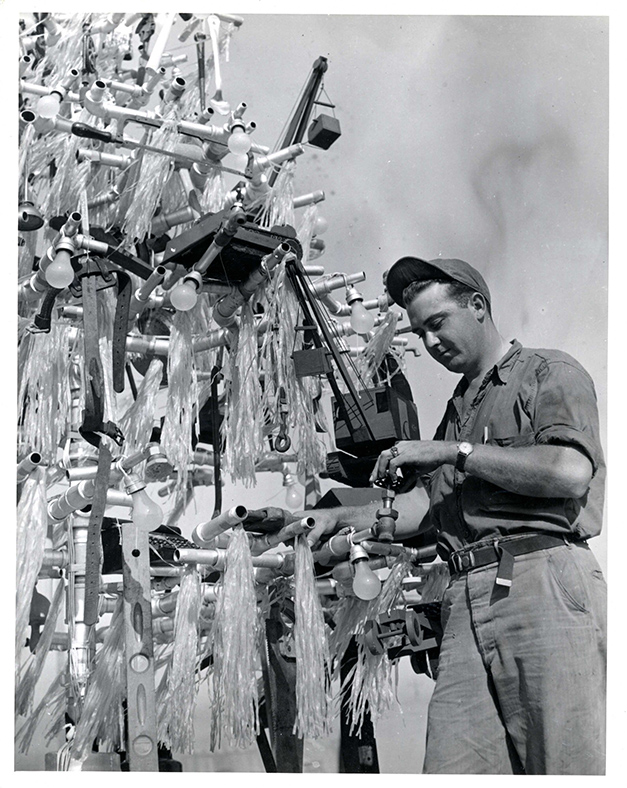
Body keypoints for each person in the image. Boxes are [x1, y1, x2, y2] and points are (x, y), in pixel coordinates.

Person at [303, 256, 606, 775]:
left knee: (564, 764)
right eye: (420, 332)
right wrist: (334, 519)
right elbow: (423, 508)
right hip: (464, 590)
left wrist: (452, 451)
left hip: (540, 579)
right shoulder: (459, 408)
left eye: (437, 323)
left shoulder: (548, 372)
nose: (430, 342)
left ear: (478, 306)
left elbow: (570, 472)